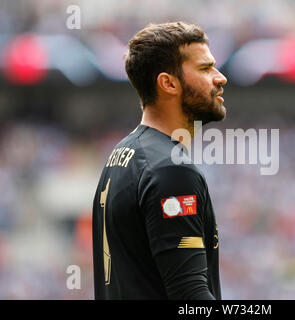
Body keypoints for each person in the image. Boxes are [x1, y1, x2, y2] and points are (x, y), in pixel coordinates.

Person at [92, 21, 227, 299]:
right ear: (168, 83)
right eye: (205, 68)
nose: (220, 77)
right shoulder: (171, 169)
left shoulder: (120, 156)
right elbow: (190, 296)